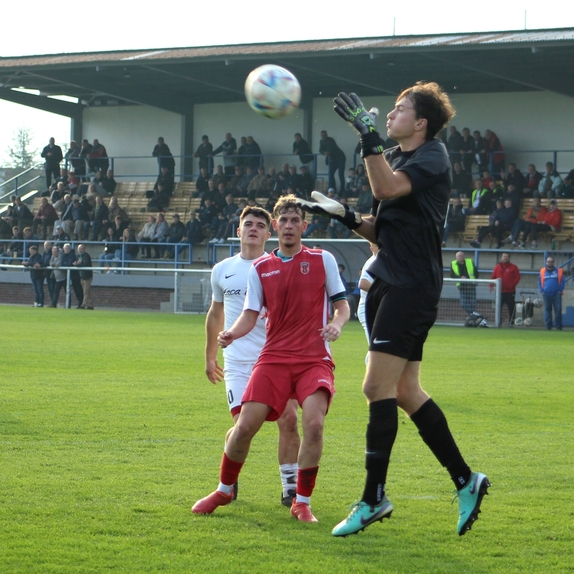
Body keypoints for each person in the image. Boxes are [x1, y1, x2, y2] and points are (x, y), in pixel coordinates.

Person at [299, 84, 489, 536]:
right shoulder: (401, 161)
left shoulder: (433, 156)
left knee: (374, 386)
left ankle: (373, 498)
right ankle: (467, 481)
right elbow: (380, 233)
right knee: (404, 390)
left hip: (410, 286)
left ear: (421, 122)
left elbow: (383, 186)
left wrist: (367, 136)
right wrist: (344, 214)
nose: (388, 116)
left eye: (399, 110)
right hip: (391, 278)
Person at [192, 196, 350, 522]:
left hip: (313, 358)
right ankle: (224, 489)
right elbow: (250, 314)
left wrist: (335, 324)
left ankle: (301, 501)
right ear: (276, 226)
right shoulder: (261, 269)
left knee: (313, 425)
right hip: (273, 358)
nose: (290, 226)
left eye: (296, 220)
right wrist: (232, 334)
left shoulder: (323, 260)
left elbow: (342, 305)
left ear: (305, 226)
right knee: (244, 425)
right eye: (285, 221)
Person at [203, 205, 301, 508]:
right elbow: (215, 313)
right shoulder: (222, 270)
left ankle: (290, 488)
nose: (254, 229)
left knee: (289, 418)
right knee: (244, 426)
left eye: (260, 224)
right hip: (238, 363)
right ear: (239, 231)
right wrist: (209, 357)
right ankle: (229, 483)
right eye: (248, 224)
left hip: (276, 359)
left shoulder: (279, 266)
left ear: (268, 233)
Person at [490, 253, 520, 325]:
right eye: (504, 256)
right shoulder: (497, 267)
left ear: (509, 258)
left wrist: (511, 285)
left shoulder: (513, 267)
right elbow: (493, 276)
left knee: (511, 308)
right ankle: (498, 322)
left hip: (510, 291)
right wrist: (491, 286)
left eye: (506, 257)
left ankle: (511, 322)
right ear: (501, 257)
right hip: (499, 291)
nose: (505, 258)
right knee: (498, 307)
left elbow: (517, 277)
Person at [539, 256, 564, 330]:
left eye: (551, 261)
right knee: (547, 310)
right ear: (546, 262)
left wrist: (560, 290)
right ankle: (548, 326)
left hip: (557, 294)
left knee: (558, 310)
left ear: (553, 262)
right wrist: (542, 291)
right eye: (548, 261)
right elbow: (539, 282)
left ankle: (558, 326)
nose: (550, 263)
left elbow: (562, 281)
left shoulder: (558, 271)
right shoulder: (542, 271)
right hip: (546, 294)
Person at [451, 251, 478, 316]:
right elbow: (452, 275)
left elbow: (476, 273)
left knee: (473, 304)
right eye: (458, 256)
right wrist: (460, 277)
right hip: (462, 287)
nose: (460, 257)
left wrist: (471, 279)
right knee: (463, 304)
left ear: (464, 257)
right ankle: (475, 315)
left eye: (461, 256)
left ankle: (473, 317)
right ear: (456, 257)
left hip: (471, 286)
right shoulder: (453, 263)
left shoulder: (470, 262)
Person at [74, 244, 94, 309]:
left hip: (87, 276)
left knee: (86, 292)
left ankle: (83, 304)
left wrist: (78, 264)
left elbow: (85, 264)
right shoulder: (77, 256)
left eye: (82, 249)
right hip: (81, 276)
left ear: (84, 249)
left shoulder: (86, 256)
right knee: (87, 291)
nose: (80, 250)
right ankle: (90, 305)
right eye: (79, 249)